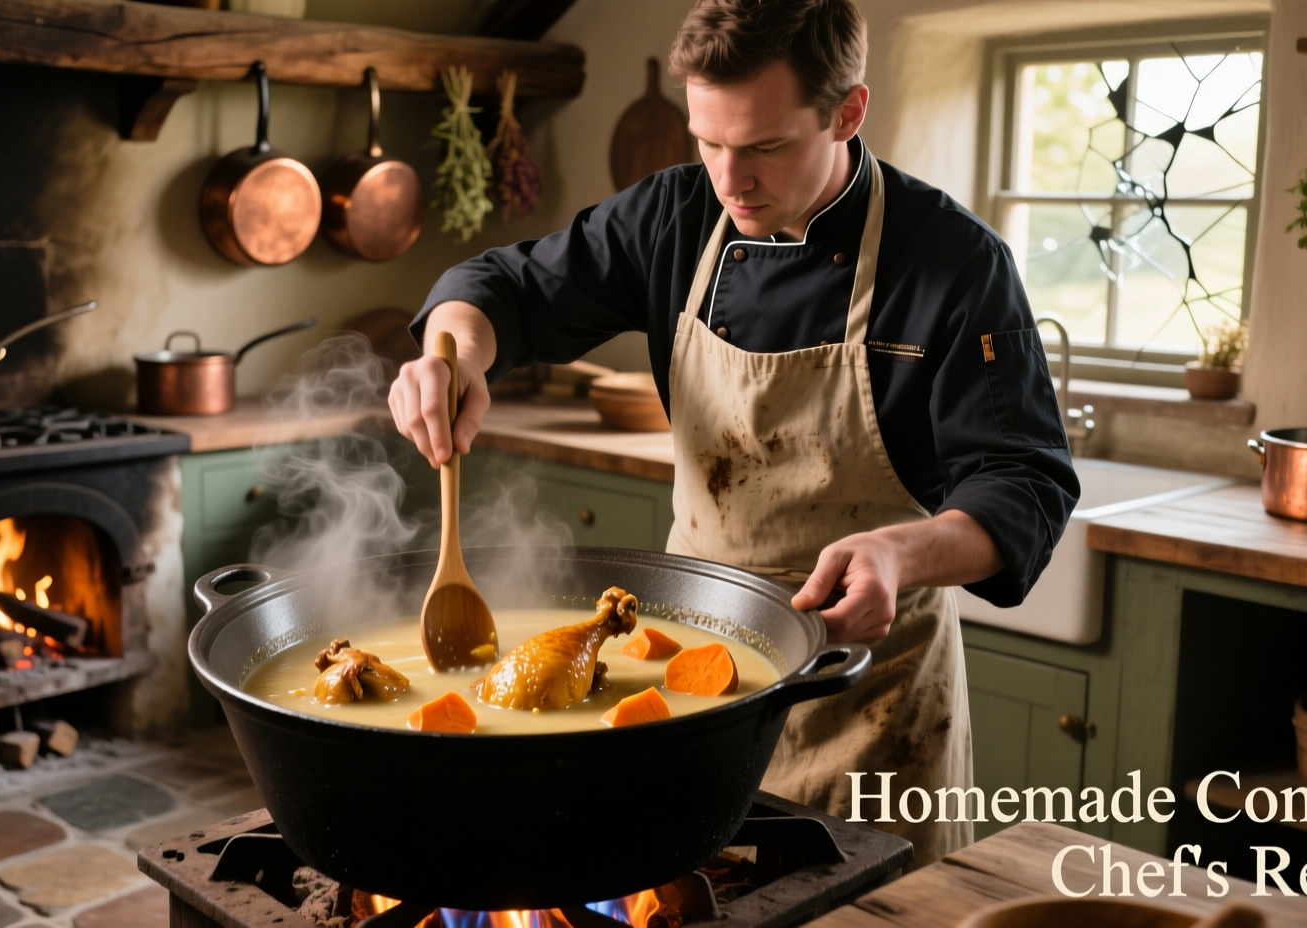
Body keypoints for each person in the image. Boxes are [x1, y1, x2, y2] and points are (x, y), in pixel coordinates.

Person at [390, 0, 1078, 865]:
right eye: (707, 142)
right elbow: (503, 287)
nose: (729, 178)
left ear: (848, 112)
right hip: (687, 676)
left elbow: (1026, 483)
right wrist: (453, 355)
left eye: (762, 147)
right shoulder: (675, 217)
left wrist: (903, 555)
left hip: (867, 696)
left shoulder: (954, 262)